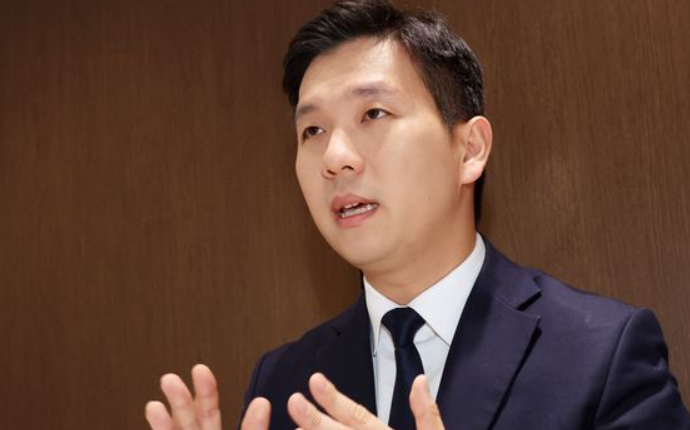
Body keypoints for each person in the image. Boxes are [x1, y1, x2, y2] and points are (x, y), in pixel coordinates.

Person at [144, 1, 690, 429]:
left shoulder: (601, 354)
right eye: (312, 130)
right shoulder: (284, 382)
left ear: (469, 149)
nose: (335, 157)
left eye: (373, 113)